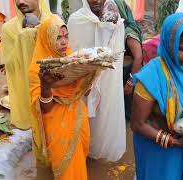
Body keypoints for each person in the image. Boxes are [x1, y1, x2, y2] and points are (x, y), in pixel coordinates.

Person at [130, 13, 183, 180]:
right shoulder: (151, 77)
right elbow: (137, 124)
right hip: (156, 151)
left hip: (181, 147)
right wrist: (174, 141)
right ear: (169, 44)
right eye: (182, 48)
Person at [29, 15, 93, 180]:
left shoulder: (72, 57)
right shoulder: (37, 69)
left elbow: (83, 93)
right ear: (46, 39)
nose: (64, 42)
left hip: (79, 115)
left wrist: (90, 76)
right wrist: (45, 86)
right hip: (57, 122)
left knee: (79, 161)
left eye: (66, 36)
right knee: (66, 167)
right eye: (58, 37)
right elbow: (45, 108)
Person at [68, 0, 126, 161]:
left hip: (109, 80)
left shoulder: (115, 19)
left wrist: (110, 26)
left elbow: (117, 54)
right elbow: (72, 55)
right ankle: (83, 148)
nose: (98, 0)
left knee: (106, 113)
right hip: (84, 81)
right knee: (84, 116)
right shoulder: (76, 21)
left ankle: (102, 150)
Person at [1, 0, 52, 164]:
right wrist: (27, 35)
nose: (20, 1)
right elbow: (10, 65)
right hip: (29, 88)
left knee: (57, 132)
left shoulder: (53, 22)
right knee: (38, 134)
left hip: (54, 88)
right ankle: (43, 165)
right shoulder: (8, 29)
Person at [114, 0, 143, 120]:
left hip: (129, 76)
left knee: (128, 113)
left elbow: (138, 57)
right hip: (125, 75)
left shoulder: (128, 32)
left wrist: (130, 82)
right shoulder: (117, 29)